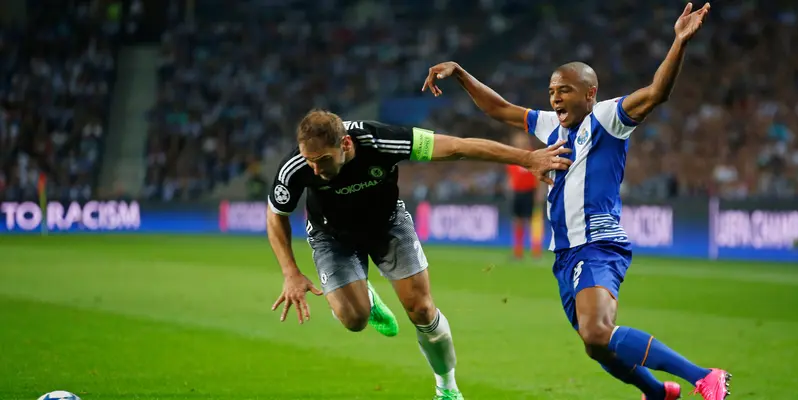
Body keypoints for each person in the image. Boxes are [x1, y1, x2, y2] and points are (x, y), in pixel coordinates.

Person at [421, 3, 731, 400]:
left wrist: (678, 43)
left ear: (590, 92)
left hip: (597, 243)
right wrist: (462, 74)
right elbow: (498, 109)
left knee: (597, 331)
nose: (554, 99)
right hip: (566, 252)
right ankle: (657, 392)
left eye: (563, 90)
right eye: (551, 92)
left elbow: (657, 92)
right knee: (595, 344)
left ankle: (704, 375)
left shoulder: (607, 118)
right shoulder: (551, 126)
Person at [267, 109, 572, 400]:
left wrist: (526, 158)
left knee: (422, 310)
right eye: (310, 161)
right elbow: (275, 215)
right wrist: (290, 272)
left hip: (387, 225)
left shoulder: (381, 140)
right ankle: (367, 298)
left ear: (345, 144)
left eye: (323, 160)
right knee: (354, 319)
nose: (316, 170)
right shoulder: (295, 166)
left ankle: (447, 387)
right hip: (331, 237)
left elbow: (456, 147)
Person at [506, 132, 546, 259]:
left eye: (521, 140)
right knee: (517, 222)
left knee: (533, 222)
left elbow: (539, 175)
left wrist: (540, 192)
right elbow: (511, 176)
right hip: (518, 193)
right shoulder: (512, 157)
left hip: (531, 192)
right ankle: (518, 251)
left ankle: (536, 251)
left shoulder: (533, 156)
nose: (519, 143)